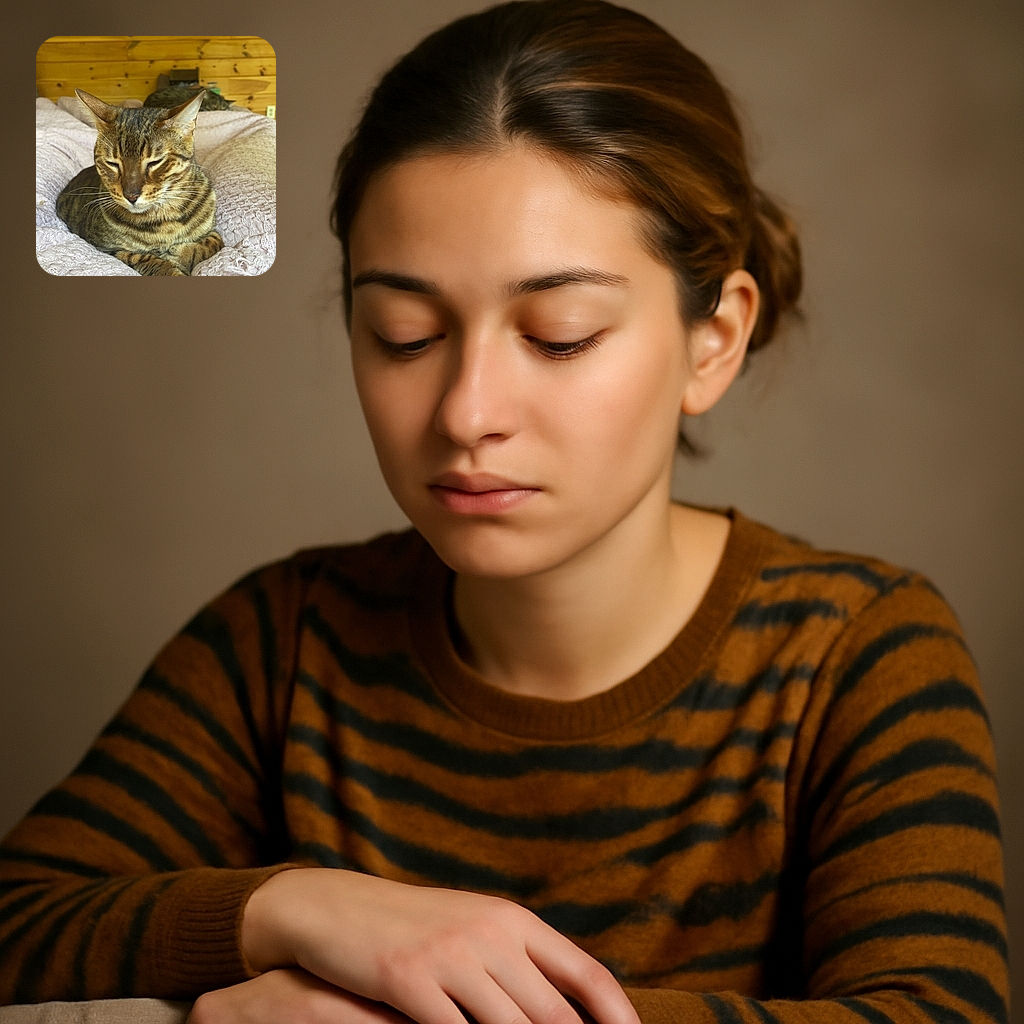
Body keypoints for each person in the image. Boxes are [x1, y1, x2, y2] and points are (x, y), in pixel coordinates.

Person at [0, 1, 1008, 1021]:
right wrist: (302, 911)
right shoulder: (283, 640)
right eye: (402, 333)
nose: (466, 412)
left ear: (714, 340)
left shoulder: (856, 653)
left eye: (559, 334)